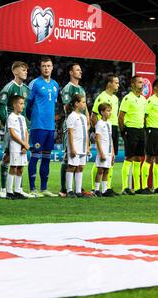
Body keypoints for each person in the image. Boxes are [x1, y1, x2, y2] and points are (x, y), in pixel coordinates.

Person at [26, 56, 59, 197]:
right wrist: (33, 119)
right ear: (40, 68)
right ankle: (33, 188)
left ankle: (44, 188)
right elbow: (28, 105)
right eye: (44, 66)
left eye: (49, 66)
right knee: (35, 155)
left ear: (52, 67)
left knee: (46, 157)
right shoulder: (35, 83)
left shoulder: (56, 85)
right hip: (38, 126)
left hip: (50, 127)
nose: (46, 68)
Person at [0, 61, 30, 198]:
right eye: (23, 70)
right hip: (11, 129)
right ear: (15, 72)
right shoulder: (8, 88)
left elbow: (26, 110)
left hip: (22, 128)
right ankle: (4, 188)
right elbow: (1, 108)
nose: (25, 72)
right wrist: (8, 126)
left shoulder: (27, 89)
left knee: (19, 161)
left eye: (26, 70)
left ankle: (18, 188)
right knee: (7, 158)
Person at [59, 63, 89, 197]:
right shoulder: (67, 88)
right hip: (71, 125)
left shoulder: (81, 89)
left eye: (80, 69)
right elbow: (67, 107)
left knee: (78, 162)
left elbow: (85, 106)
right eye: (77, 69)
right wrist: (76, 118)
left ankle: (76, 188)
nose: (80, 72)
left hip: (81, 123)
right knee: (68, 157)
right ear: (71, 72)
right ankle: (64, 188)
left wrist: (86, 118)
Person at [90, 74, 120, 195]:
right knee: (100, 162)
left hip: (113, 127)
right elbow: (93, 116)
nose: (118, 85)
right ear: (109, 83)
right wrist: (99, 128)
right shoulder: (101, 97)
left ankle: (106, 187)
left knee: (110, 159)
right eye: (116, 82)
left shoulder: (116, 98)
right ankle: (95, 187)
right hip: (104, 129)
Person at [118, 76, 147, 195]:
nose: (142, 85)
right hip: (130, 130)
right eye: (140, 82)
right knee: (129, 157)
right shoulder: (127, 98)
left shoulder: (144, 99)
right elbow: (121, 116)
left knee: (138, 158)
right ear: (133, 84)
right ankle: (125, 187)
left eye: (143, 83)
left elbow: (144, 116)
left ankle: (138, 187)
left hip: (140, 130)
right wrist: (123, 130)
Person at [65, 94, 89, 198]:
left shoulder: (83, 117)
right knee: (71, 167)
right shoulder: (72, 116)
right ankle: (69, 190)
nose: (84, 104)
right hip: (75, 146)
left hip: (83, 146)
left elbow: (86, 133)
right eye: (83, 102)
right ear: (76, 103)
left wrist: (87, 146)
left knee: (80, 167)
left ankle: (78, 190)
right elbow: (70, 133)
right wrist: (72, 148)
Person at [6, 95, 30, 200]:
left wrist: (26, 144)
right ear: (14, 105)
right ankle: (9, 191)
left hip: (23, 146)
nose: (22, 106)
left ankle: (17, 190)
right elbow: (12, 134)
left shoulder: (22, 118)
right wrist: (23, 143)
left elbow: (26, 132)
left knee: (21, 168)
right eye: (20, 103)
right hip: (15, 146)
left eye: (23, 104)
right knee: (13, 167)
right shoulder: (11, 117)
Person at [94, 103, 115, 197]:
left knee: (107, 170)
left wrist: (113, 151)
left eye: (110, 111)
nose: (109, 113)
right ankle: (96, 189)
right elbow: (97, 139)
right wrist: (101, 152)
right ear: (102, 112)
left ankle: (105, 190)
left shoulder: (109, 123)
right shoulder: (99, 124)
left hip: (109, 150)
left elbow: (110, 138)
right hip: (103, 150)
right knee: (100, 170)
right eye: (108, 111)